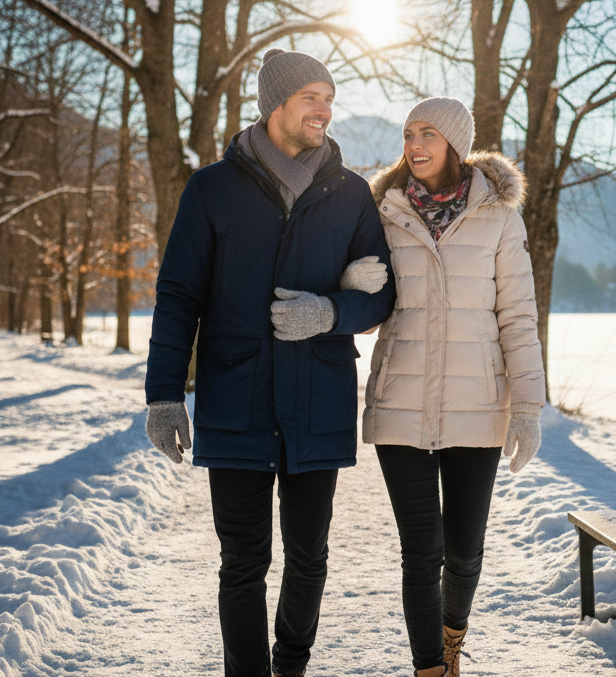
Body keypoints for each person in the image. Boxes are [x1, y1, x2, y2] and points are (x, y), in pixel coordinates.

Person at [143, 48, 395, 677]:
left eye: (330, 98)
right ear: (275, 103)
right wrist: (164, 392)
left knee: (309, 555)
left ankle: (292, 666)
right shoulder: (211, 190)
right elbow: (179, 295)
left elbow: (386, 295)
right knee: (242, 562)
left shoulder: (352, 194)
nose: (325, 110)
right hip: (237, 398)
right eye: (312, 96)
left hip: (319, 397)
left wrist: (332, 312)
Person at [358, 97, 545, 677]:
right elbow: (366, 310)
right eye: (409, 133)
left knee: (463, 552)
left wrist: (527, 408)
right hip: (400, 402)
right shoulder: (382, 211)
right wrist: (354, 283)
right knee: (422, 552)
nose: (415, 144)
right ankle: (429, 670)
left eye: (428, 134)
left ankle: (451, 640)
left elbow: (517, 315)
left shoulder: (497, 216)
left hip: (477, 402)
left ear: (455, 143)